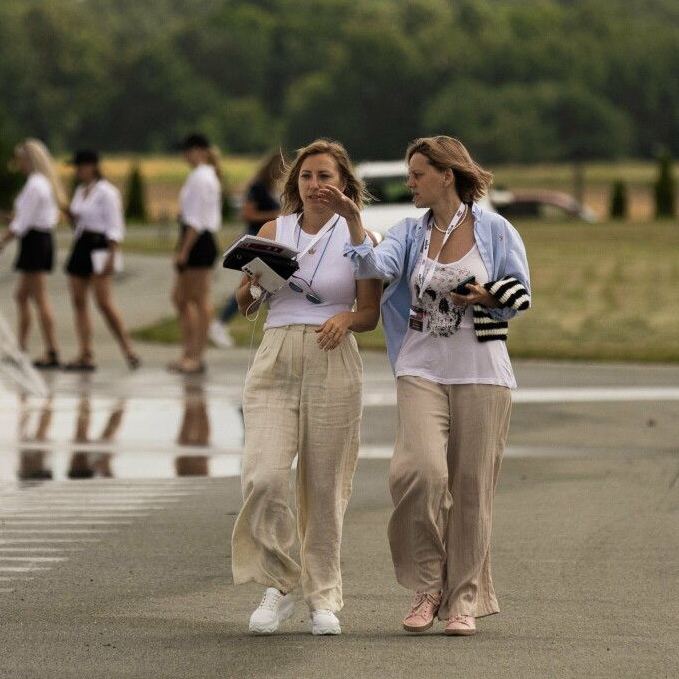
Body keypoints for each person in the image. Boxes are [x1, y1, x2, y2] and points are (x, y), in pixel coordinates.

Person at [319, 135, 532, 638]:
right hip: (420, 369)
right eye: (410, 175)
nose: (410, 183)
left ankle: (463, 601)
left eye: (417, 175)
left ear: (446, 176)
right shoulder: (408, 232)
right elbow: (375, 268)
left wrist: (486, 295)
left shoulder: (496, 230)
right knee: (416, 473)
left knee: (472, 491)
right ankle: (427, 583)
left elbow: (521, 293)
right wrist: (354, 223)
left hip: (482, 373)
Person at [230, 139, 382, 636]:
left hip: (332, 356)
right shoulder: (275, 230)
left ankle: (323, 597)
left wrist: (345, 317)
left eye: (326, 177)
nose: (316, 186)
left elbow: (370, 313)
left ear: (344, 183)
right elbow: (245, 302)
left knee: (324, 485)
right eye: (307, 177)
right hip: (275, 357)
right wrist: (257, 286)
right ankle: (278, 584)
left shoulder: (360, 236)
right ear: (295, 184)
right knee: (265, 476)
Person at [63, 149, 140, 371]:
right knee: (78, 300)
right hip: (81, 243)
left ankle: (127, 348)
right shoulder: (80, 191)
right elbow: (78, 223)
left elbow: (115, 225)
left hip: (100, 245)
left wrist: (111, 253)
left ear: (91, 166)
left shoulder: (107, 192)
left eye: (80, 166)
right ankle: (85, 352)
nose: (77, 171)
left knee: (103, 301)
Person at [0, 139, 65, 369]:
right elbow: (27, 218)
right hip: (38, 239)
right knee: (22, 296)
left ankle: (51, 351)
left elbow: (23, 224)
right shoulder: (42, 184)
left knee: (39, 298)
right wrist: (13, 221)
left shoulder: (35, 185)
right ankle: (21, 348)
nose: (19, 164)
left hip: (35, 241)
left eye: (21, 159)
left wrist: (1, 241)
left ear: (30, 160)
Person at [210, 148, 286, 349]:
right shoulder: (258, 188)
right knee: (251, 286)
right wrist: (275, 214)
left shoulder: (272, 189)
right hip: (256, 242)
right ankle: (220, 323)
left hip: (271, 244)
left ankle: (275, 327)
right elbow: (247, 215)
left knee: (269, 286)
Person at [168, 133, 223, 375]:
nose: (185, 155)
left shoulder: (202, 177)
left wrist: (184, 250)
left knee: (199, 299)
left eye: (189, 150)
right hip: (193, 238)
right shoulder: (200, 175)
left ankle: (196, 355)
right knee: (181, 298)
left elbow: (197, 220)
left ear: (200, 150)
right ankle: (189, 351)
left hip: (197, 240)